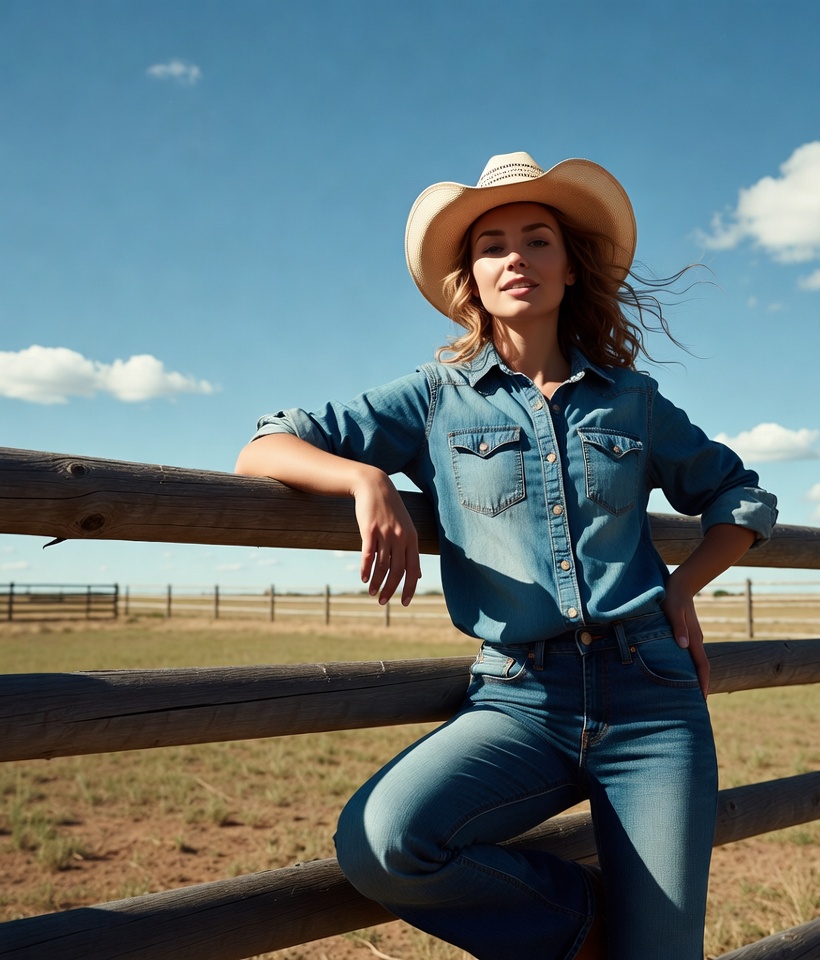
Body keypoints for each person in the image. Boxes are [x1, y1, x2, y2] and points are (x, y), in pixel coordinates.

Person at [235, 152, 777, 960]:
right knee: (386, 840)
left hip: (653, 698)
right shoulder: (432, 397)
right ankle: (582, 927)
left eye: (538, 240)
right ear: (471, 279)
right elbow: (264, 446)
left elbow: (740, 497)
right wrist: (366, 479)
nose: (515, 258)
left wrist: (682, 587)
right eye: (492, 245)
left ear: (569, 268)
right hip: (523, 699)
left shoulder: (632, 399)